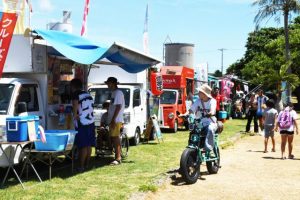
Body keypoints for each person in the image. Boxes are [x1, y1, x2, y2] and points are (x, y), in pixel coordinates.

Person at [70, 78, 95, 172]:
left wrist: (74, 115)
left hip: (82, 122)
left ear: (73, 86)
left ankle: (81, 166)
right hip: (90, 121)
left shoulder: (76, 94)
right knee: (88, 145)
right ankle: (87, 165)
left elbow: (75, 106)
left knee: (83, 146)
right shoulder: (88, 94)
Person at [189, 84, 217, 151]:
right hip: (201, 123)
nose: (198, 93)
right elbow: (191, 109)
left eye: (200, 92)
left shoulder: (212, 101)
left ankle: (208, 147)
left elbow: (212, 110)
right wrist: (189, 115)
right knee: (194, 130)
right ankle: (192, 146)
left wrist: (211, 113)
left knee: (209, 129)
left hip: (211, 123)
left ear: (204, 94)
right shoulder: (198, 100)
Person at [105, 77, 125, 165]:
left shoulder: (118, 93)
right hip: (113, 119)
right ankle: (117, 156)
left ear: (113, 83)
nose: (107, 85)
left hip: (116, 120)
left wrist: (113, 119)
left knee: (115, 138)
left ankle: (118, 158)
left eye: (108, 83)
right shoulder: (114, 93)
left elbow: (118, 107)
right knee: (113, 138)